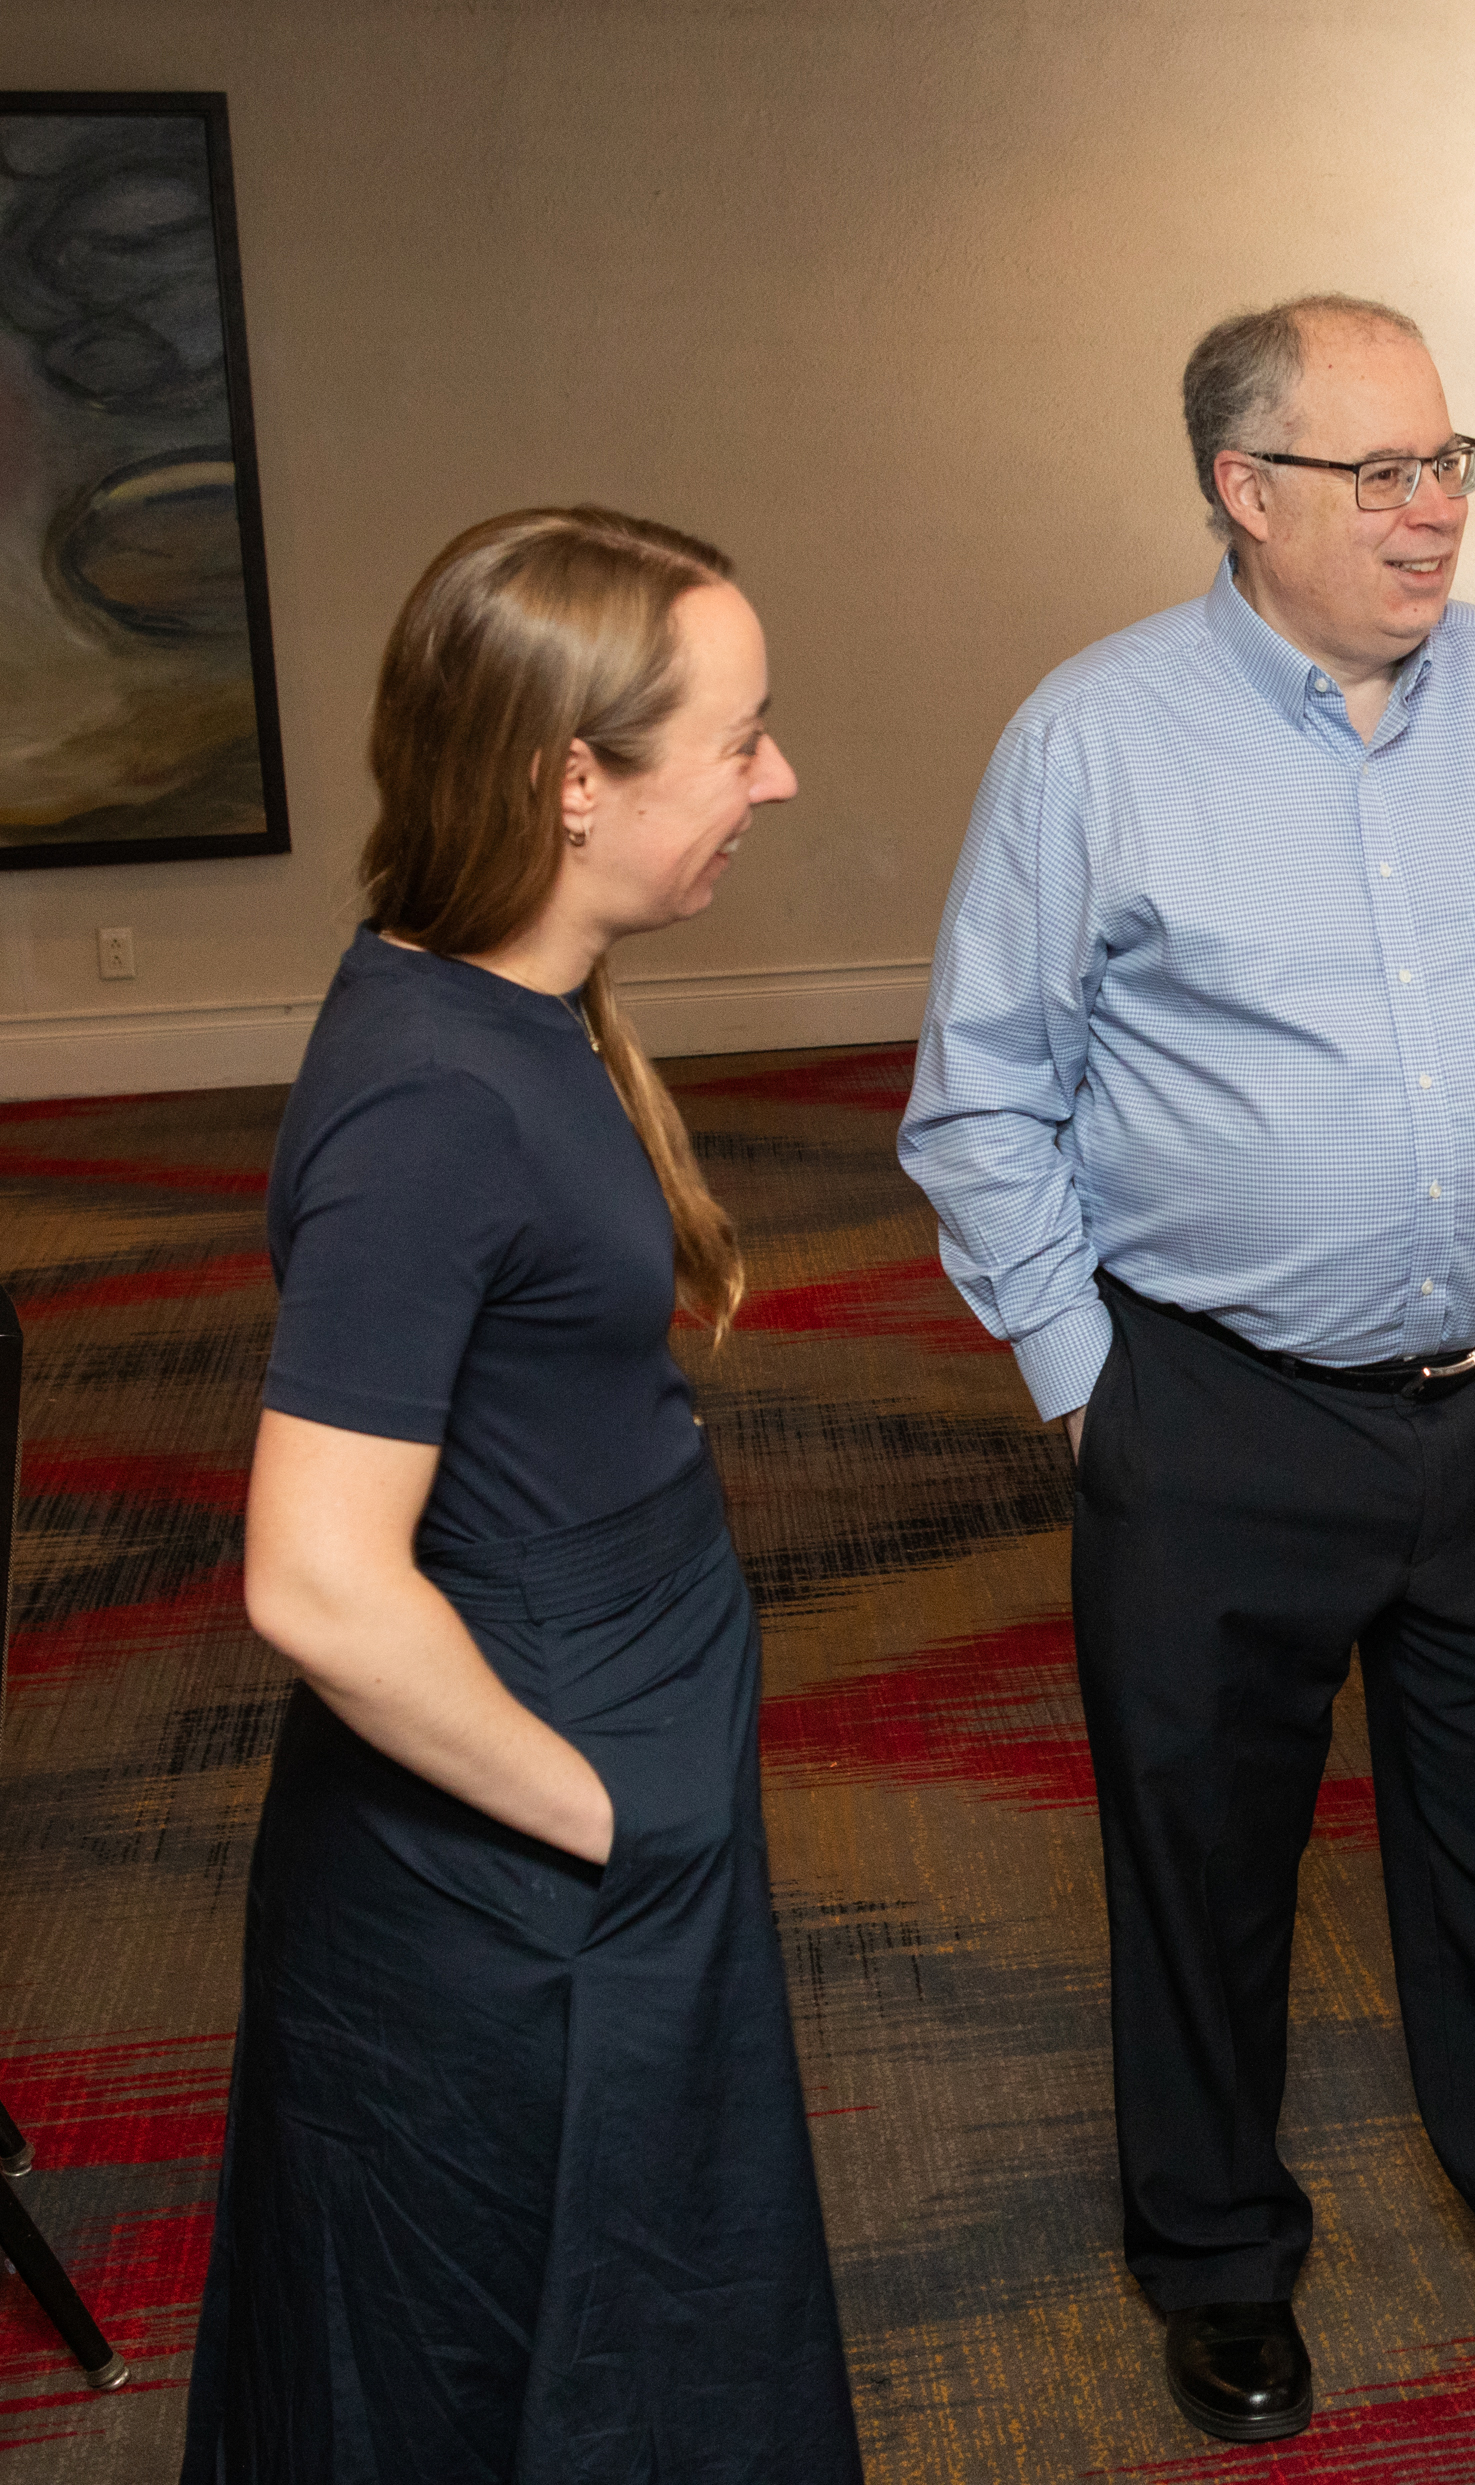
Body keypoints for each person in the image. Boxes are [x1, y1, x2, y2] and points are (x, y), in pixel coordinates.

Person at [897, 293, 1475, 2445]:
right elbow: (982, 1100)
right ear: (1245, 496)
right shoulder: (1093, 741)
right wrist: (1093, 1383)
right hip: (1218, 1415)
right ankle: (1220, 2255)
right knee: (1202, 1854)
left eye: (1451, 462)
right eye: (1380, 473)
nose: (1434, 511)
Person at [186, 508, 859, 2482]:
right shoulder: (433, 1101)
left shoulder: (508, 1003)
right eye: (738, 739)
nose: (779, 776)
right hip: (521, 1864)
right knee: (532, 2345)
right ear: (576, 778)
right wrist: (605, 1811)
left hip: (594, 1782)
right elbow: (313, 1582)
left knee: (640, 2314)